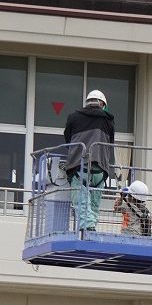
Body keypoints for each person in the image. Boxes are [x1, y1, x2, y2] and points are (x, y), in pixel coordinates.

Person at [63, 89, 116, 233]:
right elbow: (110, 144)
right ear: (102, 105)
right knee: (94, 205)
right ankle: (91, 229)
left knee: (81, 203)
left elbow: (68, 141)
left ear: (87, 103)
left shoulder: (73, 118)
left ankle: (88, 230)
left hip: (80, 167)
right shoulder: (108, 121)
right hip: (100, 169)